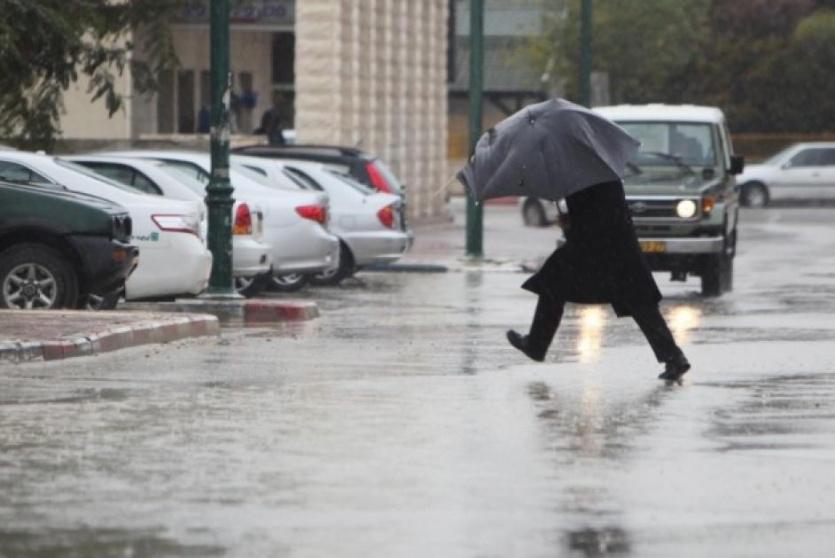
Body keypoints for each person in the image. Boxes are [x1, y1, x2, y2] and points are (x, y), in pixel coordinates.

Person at [506, 179, 691, 381]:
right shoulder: (600, 171)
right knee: (640, 302)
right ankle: (674, 357)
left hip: (597, 248)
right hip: (617, 247)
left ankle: (536, 345)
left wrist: (568, 222)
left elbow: (589, 218)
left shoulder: (582, 176)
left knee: (554, 284)